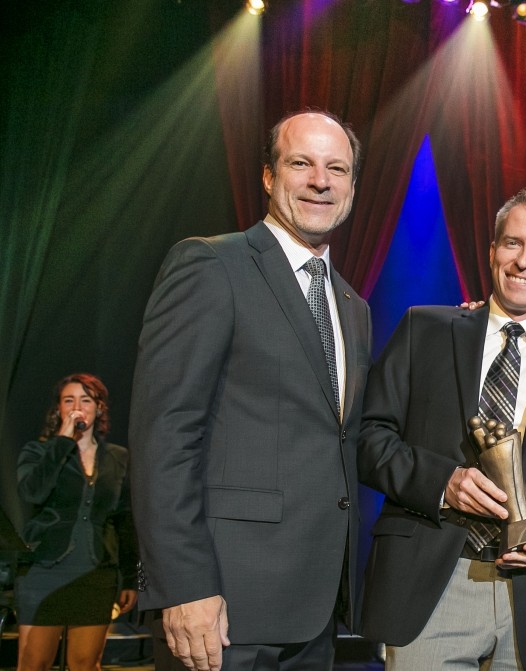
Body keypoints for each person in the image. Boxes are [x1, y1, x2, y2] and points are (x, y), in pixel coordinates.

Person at [129, 110, 372, 671]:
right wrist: (182, 585)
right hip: (221, 608)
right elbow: (165, 436)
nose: (320, 180)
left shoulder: (353, 307)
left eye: (337, 168)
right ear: (268, 176)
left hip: (316, 612)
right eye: (301, 163)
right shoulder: (212, 265)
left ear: (352, 188)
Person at [358, 187, 526, 670]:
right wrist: (443, 484)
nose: (524, 261)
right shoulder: (424, 329)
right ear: (493, 250)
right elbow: (368, 439)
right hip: (431, 584)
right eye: (512, 243)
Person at [15, 373, 138, 671]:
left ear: (99, 408)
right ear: (58, 409)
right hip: (44, 570)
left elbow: (127, 523)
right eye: (69, 400)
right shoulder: (39, 451)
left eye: (86, 400)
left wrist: (135, 579)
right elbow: (33, 492)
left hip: (96, 575)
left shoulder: (119, 457)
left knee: (85, 663)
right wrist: (62, 442)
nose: (77, 406)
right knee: (34, 662)